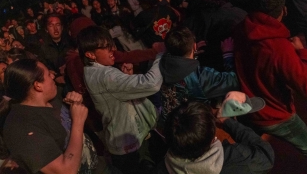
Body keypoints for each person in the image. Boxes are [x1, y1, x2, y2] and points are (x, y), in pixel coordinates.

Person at [233, 0, 307, 173]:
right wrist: (303, 52)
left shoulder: (241, 29)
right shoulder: (279, 48)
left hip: (248, 109)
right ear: (283, 10)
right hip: (274, 115)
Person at [77, 26, 164, 174]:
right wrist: (160, 55)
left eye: (111, 44)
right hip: (131, 146)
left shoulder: (91, 71)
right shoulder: (105, 75)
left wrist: (125, 80)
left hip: (122, 144)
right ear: (90, 54)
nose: (113, 49)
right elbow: (151, 84)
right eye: (106, 47)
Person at [1, 59, 98, 173]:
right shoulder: (21, 127)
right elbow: (66, 171)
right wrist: (78, 121)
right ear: (38, 85)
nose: (53, 76)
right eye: (48, 74)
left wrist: (74, 103)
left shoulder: (49, 99)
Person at [156, 92, 274, 174]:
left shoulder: (161, 168)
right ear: (212, 139)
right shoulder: (237, 157)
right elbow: (266, 155)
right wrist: (228, 122)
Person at [158, 27, 239, 126]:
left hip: (165, 121)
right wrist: (228, 54)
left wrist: (191, 55)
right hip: (191, 126)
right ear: (195, 46)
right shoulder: (200, 76)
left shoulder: (158, 64)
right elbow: (233, 81)